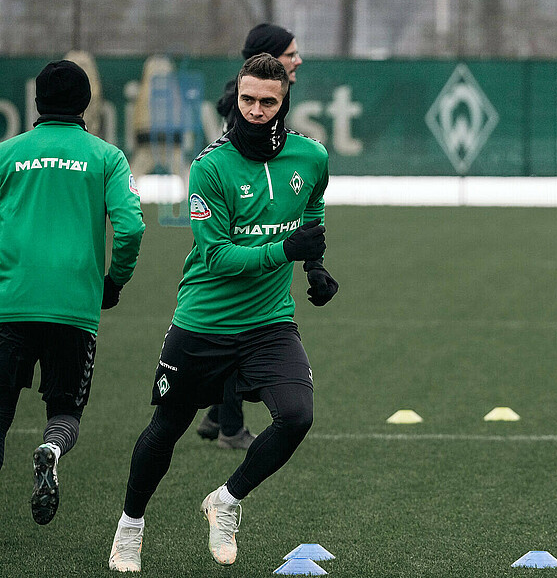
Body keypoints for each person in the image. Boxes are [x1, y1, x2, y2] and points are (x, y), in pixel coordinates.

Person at [108, 53, 338, 572]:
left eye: (267, 102)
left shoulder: (311, 157)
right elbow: (218, 257)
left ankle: (226, 501)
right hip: (203, 322)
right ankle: (130, 525)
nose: (255, 110)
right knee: (166, 428)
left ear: (284, 103)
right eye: (247, 99)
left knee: (297, 415)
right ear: (236, 97)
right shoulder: (210, 167)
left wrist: (315, 267)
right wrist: (287, 251)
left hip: (269, 322)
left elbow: (314, 210)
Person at [0, 60, 144, 525]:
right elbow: (131, 228)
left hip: (10, 304)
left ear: (36, 102)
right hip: (74, 310)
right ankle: (50, 448)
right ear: (87, 105)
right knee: (65, 410)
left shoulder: (7, 154)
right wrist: (114, 281)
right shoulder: (106, 157)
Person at [197, 22, 304, 449]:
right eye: (291, 53)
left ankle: (217, 417)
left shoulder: (274, 108)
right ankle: (228, 426)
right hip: (236, 248)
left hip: (259, 251)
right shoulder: (246, 114)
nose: (298, 60)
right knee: (234, 337)